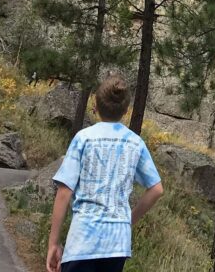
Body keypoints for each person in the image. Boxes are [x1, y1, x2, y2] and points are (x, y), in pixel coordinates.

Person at [46, 74, 164, 272]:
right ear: (126, 110)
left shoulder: (83, 139)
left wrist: (53, 243)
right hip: (117, 244)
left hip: (83, 241)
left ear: (96, 104)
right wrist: (128, 220)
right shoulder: (135, 143)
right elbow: (156, 189)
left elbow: (64, 192)